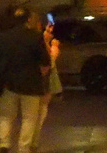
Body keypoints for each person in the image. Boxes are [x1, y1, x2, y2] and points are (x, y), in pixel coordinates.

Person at [0, 9, 50, 153]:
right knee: (29, 118)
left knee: (6, 116)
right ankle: (24, 148)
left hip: (7, 83)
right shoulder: (35, 37)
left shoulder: (3, 37)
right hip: (30, 83)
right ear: (28, 19)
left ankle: (4, 145)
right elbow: (45, 60)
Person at [35, 14, 62, 146]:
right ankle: (32, 143)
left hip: (37, 79)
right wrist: (54, 48)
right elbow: (49, 61)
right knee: (40, 110)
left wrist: (46, 36)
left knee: (36, 112)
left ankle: (31, 142)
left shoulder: (36, 38)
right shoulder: (37, 41)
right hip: (43, 79)